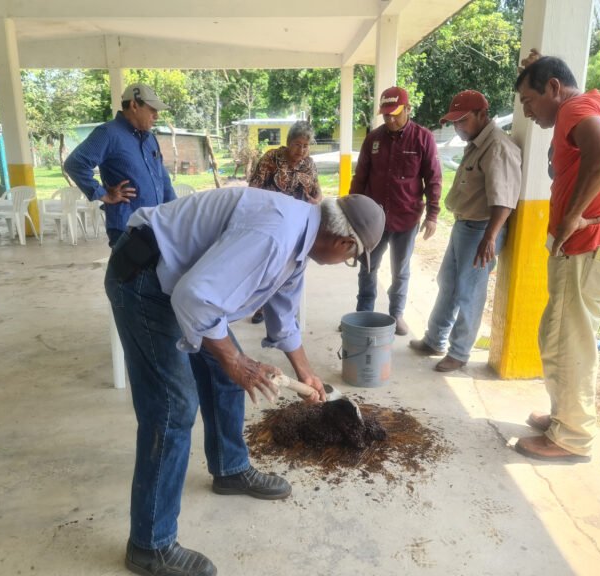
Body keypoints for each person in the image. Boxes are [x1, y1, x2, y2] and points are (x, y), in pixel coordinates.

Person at [106, 188, 385, 576]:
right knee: (173, 408)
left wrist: (305, 373)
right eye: (352, 257)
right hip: (146, 279)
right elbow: (194, 299)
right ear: (343, 241)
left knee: (225, 379)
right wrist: (237, 361)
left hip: (180, 281)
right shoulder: (276, 234)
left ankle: (230, 468)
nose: (346, 262)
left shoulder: (301, 241)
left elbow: (284, 319)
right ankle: (149, 545)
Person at [513, 53, 600, 462]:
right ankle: (563, 416)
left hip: (588, 243)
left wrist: (571, 218)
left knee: (566, 340)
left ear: (553, 88)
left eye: (529, 102)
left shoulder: (574, 108)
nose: (528, 113)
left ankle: (570, 437)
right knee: (565, 334)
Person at [409, 91, 521, 372]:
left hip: (482, 229)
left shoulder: (497, 147)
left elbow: (504, 199)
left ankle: (459, 352)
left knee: (469, 292)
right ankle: (435, 339)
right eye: (454, 122)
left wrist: (490, 237)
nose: (458, 127)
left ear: (483, 114)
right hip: (465, 226)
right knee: (447, 283)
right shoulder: (477, 143)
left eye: (463, 120)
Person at [349, 86, 442, 336]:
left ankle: (396, 314)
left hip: (407, 217)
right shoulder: (373, 139)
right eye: (386, 114)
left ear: (407, 109)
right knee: (368, 266)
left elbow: (433, 178)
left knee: (401, 270)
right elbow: (360, 177)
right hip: (373, 220)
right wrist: (351, 210)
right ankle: (363, 312)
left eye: (395, 113)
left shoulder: (423, 138)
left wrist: (433, 214)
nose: (390, 119)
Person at [64, 83, 176, 247]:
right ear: (134, 105)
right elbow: (75, 164)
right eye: (152, 110)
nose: (156, 116)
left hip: (155, 224)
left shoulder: (149, 139)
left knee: (158, 272)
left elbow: (162, 178)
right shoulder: (108, 133)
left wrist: (176, 212)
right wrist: (103, 194)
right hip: (127, 228)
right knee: (132, 272)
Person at [247, 120, 322, 324]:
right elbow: (253, 189)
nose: (302, 150)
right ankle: (260, 305)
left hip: (297, 224)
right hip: (270, 222)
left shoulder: (310, 164)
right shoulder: (272, 158)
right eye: (298, 144)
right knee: (267, 265)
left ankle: (283, 308)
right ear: (288, 142)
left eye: (306, 146)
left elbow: (317, 192)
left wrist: (317, 201)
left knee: (290, 268)